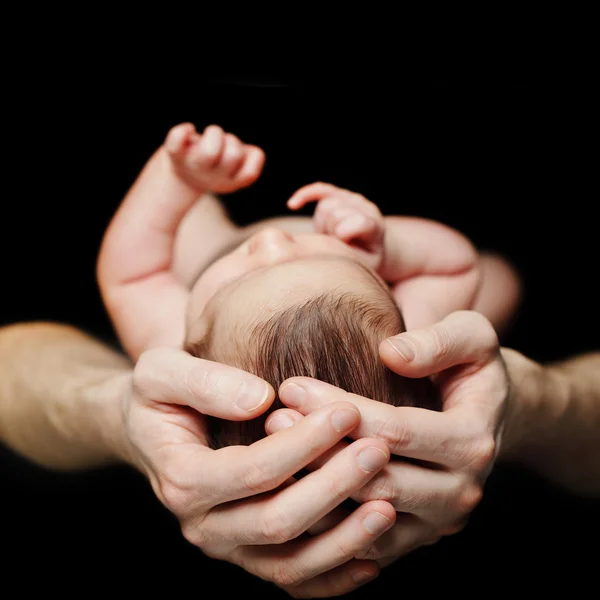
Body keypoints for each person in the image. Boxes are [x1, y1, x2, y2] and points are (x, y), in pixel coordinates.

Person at [1, 312, 598, 598]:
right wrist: (107, 409)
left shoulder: (164, 290)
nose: (273, 239)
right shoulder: (420, 272)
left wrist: (542, 402)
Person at [96, 122, 521, 447]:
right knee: (499, 280)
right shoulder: (404, 341)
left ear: (194, 350)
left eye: (245, 277)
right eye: (323, 257)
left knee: (190, 221)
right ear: (393, 294)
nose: (272, 241)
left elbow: (133, 277)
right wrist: (387, 249)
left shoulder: (176, 344)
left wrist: (179, 179)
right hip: (381, 284)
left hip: (209, 253)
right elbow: (453, 268)